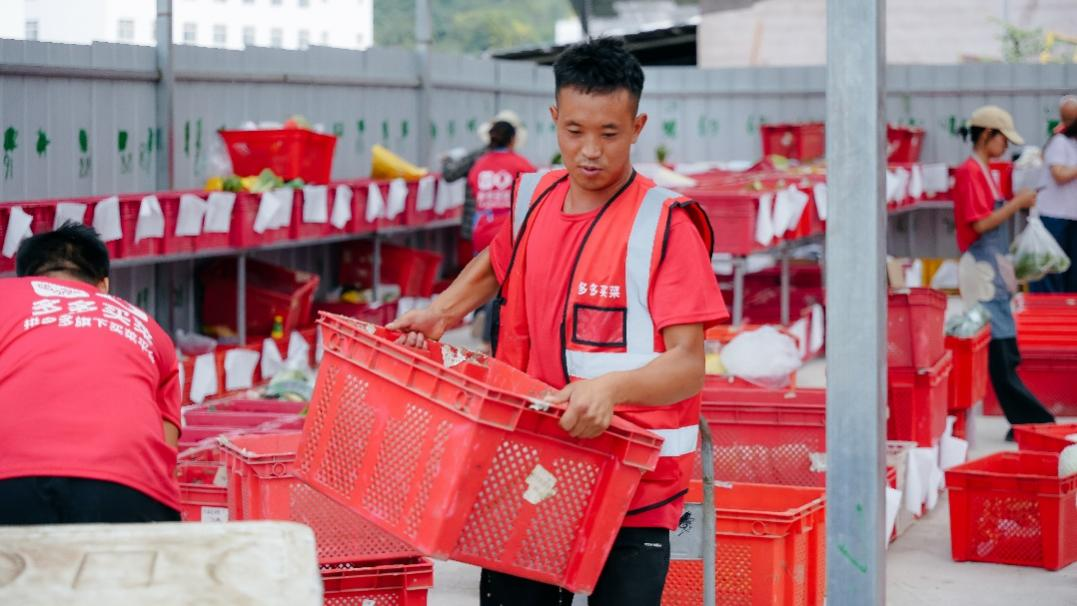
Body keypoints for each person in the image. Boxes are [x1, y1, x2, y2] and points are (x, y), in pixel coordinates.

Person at [389, 37, 726, 605]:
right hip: (528, 472)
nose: (590, 151)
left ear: (638, 125)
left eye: (609, 134)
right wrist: (442, 311)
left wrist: (609, 389)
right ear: (554, 119)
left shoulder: (665, 225)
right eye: (574, 131)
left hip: (631, 490)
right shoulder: (534, 197)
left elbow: (688, 366)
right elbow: (497, 263)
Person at [0, 223, 182, 524]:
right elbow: (167, 449)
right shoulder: (147, 327)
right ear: (104, 285)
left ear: (26, 279)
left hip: (11, 480)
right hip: (131, 488)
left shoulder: (8, 297)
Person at [953, 106, 1055, 440]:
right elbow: (979, 223)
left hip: (993, 265)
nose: (1004, 147)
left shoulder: (985, 170)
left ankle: (1025, 420)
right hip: (981, 266)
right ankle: (1034, 422)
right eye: (1002, 139)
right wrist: (1016, 204)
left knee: (1006, 347)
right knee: (998, 348)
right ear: (987, 135)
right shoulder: (970, 171)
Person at [1029, 95, 1077, 293]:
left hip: (1071, 216)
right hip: (1054, 216)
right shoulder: (1059, 142)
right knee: (1051, 271)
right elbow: (1059, 174)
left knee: (1070, 272)